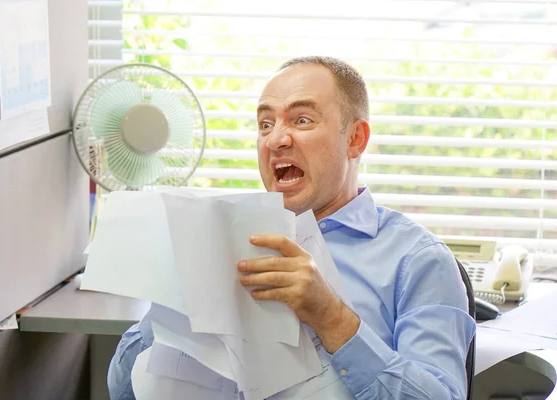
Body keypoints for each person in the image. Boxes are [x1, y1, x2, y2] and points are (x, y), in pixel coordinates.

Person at [107, 56, 476, 399]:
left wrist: (331, 318)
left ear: (355, 139)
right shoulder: (222, 239)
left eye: (301, 120)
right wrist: (172, 303)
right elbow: (122, 390)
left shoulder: (417, 261)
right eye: (265, 124)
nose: (276, 140)